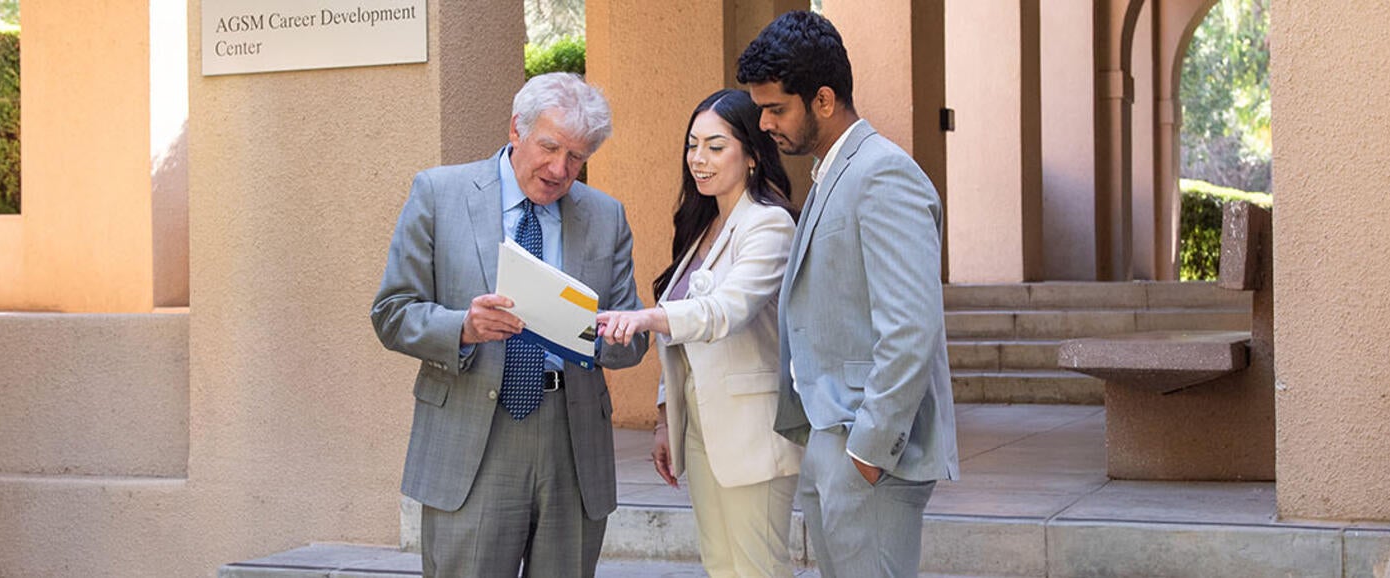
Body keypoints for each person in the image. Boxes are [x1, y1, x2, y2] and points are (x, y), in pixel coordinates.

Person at [370, 72, 649, 577]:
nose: (560, 168)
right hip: (473, 434)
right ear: (515, 130)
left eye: (578, 157)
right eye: (550, 147)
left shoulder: (606, 216)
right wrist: (462, 327)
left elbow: (633, 339)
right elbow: (392, 312)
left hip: (572, 432)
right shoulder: (439, 194)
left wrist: (597, 331)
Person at [737, 10, 959, 578]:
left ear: (825, 100)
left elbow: (910, 326)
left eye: (776, 108)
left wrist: (866, 451)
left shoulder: (883, 174)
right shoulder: (832, 172)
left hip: (869, 454)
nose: (764, 124)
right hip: (833, 443)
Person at [594, 88, 802, 578]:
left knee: (758, 569)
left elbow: (725, 311)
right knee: (721, 566)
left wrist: (647, 317)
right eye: (692, 145)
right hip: (702, 430)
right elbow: (682, 342)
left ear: (752, 154)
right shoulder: (702, 227)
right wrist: (668, 420)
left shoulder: (769, 225)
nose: (698, 159)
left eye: (715, 145)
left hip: (752, 430)